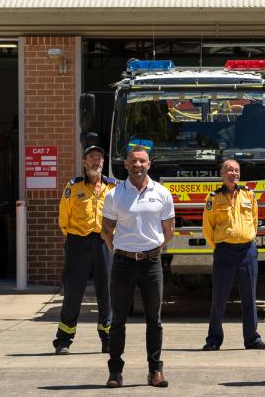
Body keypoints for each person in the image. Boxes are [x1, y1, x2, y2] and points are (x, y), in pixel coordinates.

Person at [101, 145, 175, 389]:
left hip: (152, 263)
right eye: (133, 161)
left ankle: (155, 371)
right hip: (122, 263)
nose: (138, 165)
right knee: (118, 320)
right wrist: (119, 250)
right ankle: (115, 372)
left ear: (149, 164)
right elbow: (106, 231)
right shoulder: (114, 195)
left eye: (142, 161)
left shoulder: (162, 193)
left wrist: (154, 250)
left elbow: (169, 230)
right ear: (125, 164)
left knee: (154, 319)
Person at [201, 159, 265, 351]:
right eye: (229, 170)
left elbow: (254, 221)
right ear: (222, 174)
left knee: (249, 296)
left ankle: (252, 339)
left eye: (236, 170)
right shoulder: (213, 198)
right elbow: (208, 228)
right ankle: (214, 339)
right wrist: (220, 246)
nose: (234, 173)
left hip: (247, 251)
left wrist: (247, 239)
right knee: (219, 298)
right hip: (225, 252)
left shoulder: (249, 194)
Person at [53, 146, 116, 355]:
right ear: (84, 162)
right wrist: (72, 239)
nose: (95, 161)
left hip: (104, 243)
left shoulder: (113, 187)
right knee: (73, 291)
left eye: (99, 158)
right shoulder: (73, 187)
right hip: (78, 243)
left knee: (106, 292)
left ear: (103, 162)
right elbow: (64, 218)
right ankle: (63, 340)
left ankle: (108, 338)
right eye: (91, 158)